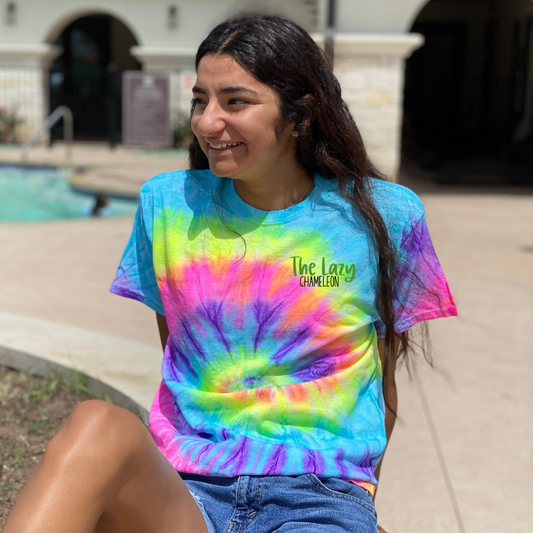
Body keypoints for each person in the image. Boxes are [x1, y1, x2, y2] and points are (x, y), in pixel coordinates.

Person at [3, 15, 457, 533]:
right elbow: (180, 355)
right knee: (96, 424)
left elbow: (383, 382)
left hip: (317, 497)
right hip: (187, 490)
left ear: (302, 113)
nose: (206, 122)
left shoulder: (385, 215)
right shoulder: (168, 206)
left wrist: (359, 503)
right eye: (200, 101)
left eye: (235, 102)